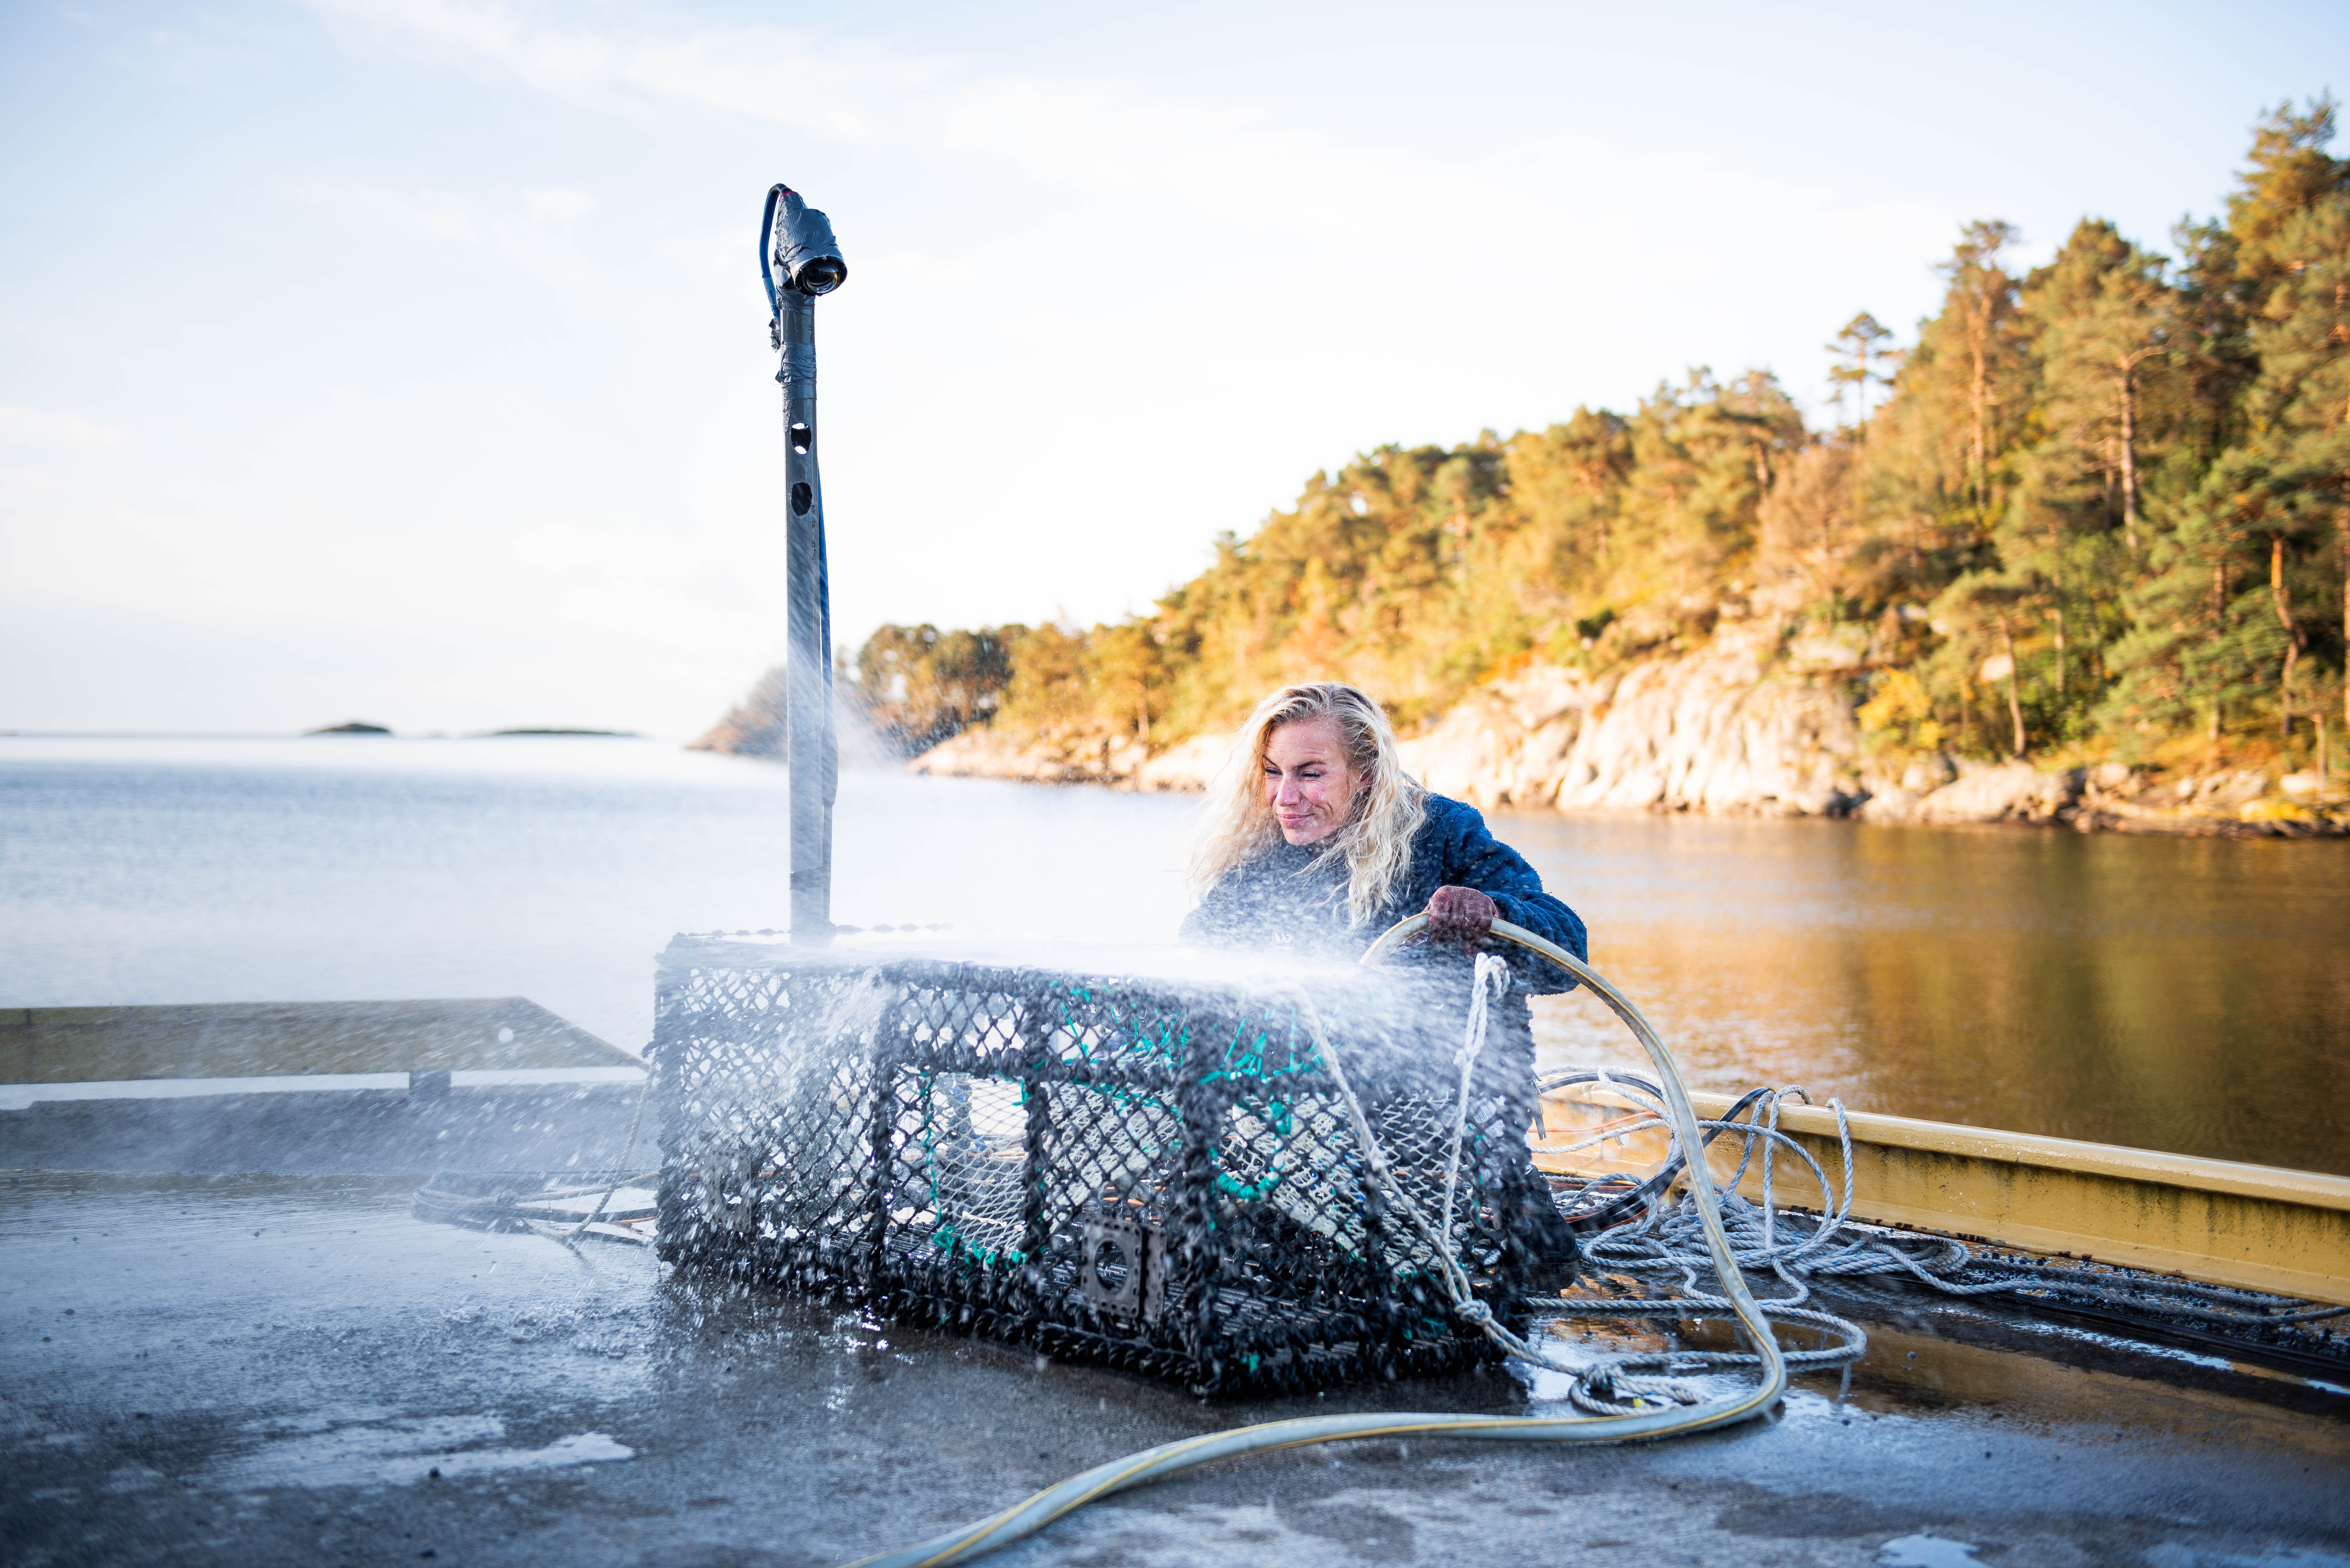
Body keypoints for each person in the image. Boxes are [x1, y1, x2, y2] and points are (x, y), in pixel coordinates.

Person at [1179, 678, 1586, 1266]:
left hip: (1455, 1125)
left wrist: (1494, 913)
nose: (1284, 797)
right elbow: (1199, 950)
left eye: (1310, 773)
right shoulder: (1268, 859)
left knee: (1537, 1266)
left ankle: (1504, 1188)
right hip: (1316, 1132)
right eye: (1272, 773)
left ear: (1366, 772)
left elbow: (1567, 950)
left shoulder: (1441, 831)